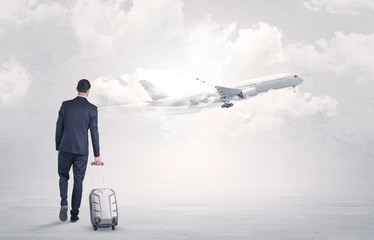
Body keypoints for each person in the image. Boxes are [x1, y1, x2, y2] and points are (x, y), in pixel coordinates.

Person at [55, 79, 101, 222]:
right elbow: (94, 132)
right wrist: (97, 155)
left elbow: (59, 127)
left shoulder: (65, 105)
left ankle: (64, 202)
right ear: (88, 91)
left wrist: (58, 146)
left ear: (76, 89)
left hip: (65, 148)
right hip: (81, 150)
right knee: (78, 181)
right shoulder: (92, 109)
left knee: (63, 176)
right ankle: (74, 214)